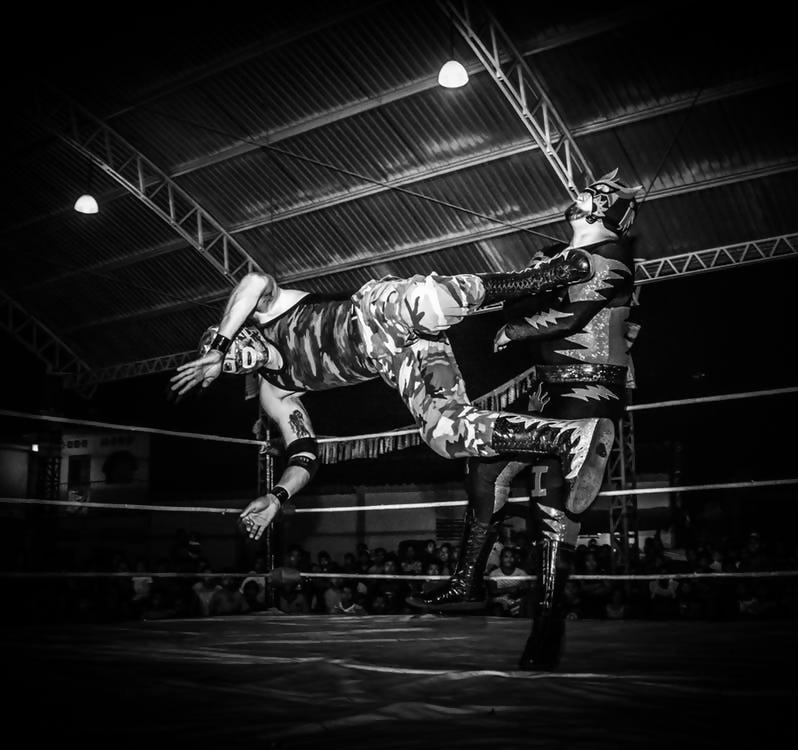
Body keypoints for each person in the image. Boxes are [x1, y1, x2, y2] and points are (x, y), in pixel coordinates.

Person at [171, 254, 621, 540]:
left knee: (423, 301)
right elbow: (304, 455)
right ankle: (565, 438)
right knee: (445, 434)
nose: (238, 359)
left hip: (373, 310)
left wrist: (217, 348)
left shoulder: (270, 309)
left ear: (242, 331)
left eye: (235, 348)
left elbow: (253, 279)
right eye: (231, 366)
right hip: (399, 359)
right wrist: (277, 497)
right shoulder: (275, 392)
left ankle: (536, 279)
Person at [408, 168, 644, 671]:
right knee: (486, 462)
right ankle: (465, 583)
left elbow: (572, 316)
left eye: (592, 193)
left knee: (555, 509)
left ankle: (546, 632)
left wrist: (514, 328)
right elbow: (537, 293)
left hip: (590, 394)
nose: (580, 194)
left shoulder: (612, 259)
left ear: (605, 209)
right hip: (552, 395)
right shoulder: (568, 257)